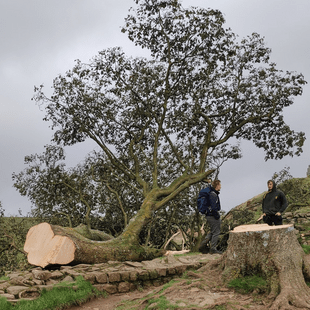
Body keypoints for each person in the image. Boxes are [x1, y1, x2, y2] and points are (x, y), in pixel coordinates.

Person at [199, 179, 222, 254]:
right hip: (212, 216)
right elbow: (213, 207)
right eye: (220, 185)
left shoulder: (211, 193)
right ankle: (213, 249)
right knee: (216, 232)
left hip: (209, 215)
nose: (221, 186)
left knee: (213, 231)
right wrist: (217, 216)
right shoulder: (213, 194)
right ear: (217, 185)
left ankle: (203, 244)